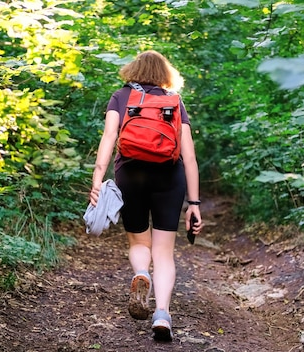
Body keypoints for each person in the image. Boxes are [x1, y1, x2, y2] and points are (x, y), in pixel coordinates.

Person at [89, 50, 203, 341]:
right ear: (165, 74)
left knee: (139, 240)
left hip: (130, 173)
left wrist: (98, 180)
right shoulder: (173, 101)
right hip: (169, 175)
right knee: (164, 251)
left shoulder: (120, 97)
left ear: (133, 69)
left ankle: (142, 273)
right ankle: (162, 313)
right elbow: (189, 157)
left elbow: (108, 137)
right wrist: (194, 203)